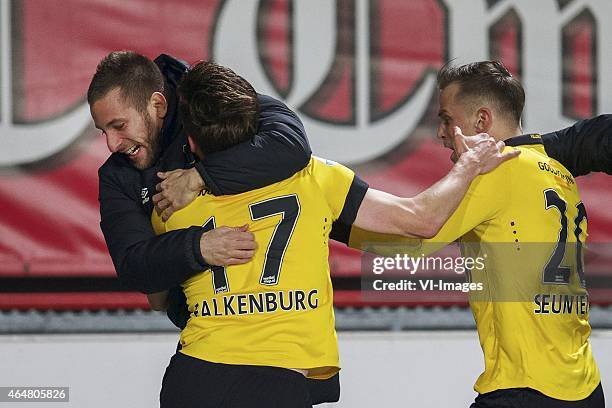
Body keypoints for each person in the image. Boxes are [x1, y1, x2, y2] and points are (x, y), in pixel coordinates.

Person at [150, 60, 516, 408]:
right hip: (275, 379)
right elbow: (419, 221)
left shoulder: (170, 201)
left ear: (193, 143)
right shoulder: (313, 177)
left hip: (193, 374)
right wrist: (469, 164)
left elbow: (158, 297)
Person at [88, 51, 341, 403]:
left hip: (284, 358)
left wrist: (199, 177)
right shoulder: (117, 176)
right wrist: (199, 247)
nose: (112, 145)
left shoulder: (210, 100)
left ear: (158, 105)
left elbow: (292, 145)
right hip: (207, 352)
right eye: (102, 131)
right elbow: (133, 267)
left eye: (119, 126)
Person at [355, 60, 605, 407]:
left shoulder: (494, 171)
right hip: (583, 384)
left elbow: (409, 241)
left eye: (446, 119)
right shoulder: (558, 172)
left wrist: (329, 215)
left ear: (481, 121)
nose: (441, 133)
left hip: (526, 389)